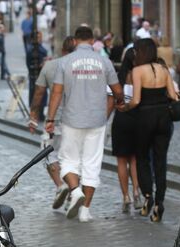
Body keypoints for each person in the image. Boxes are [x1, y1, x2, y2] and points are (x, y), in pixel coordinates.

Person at [45, 26, 124, 222]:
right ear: (91, 40)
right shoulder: (104, 61)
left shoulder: (66, 62)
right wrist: (120, 102)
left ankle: (75, 190)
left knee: (67, 160)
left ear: (75, 41)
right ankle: (85, 210)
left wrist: (50, 118)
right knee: (92, 164)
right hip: (97, 120)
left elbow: (56, 92)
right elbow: (117, 90)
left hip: (72, 119)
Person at [120, 38, 178, 222]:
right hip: (163, 118)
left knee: (143, 157)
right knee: (160, 161)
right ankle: (159, 202)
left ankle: (147, 196)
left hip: (145, 117)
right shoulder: (163, 69)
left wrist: (125, 108)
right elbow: (173, 95)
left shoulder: (138, 70)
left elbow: (136, 100)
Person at [28, 36, 77, 210]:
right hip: (78, 120)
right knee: (72, 158)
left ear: (62, 50)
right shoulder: (81, 67)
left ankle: (61, 185)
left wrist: (33, 116)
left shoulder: (50, 66)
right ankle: (74, 192)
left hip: (54, 120)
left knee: (47, 153)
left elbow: (39, 93)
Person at [108, 47, 141, 212]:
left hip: (120, 120)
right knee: (134, 159)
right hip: (137, 119)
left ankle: (126, 196)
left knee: (121, 160)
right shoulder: (141, 76)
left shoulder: (117, 78)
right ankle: (136, 191)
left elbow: (110, 102)